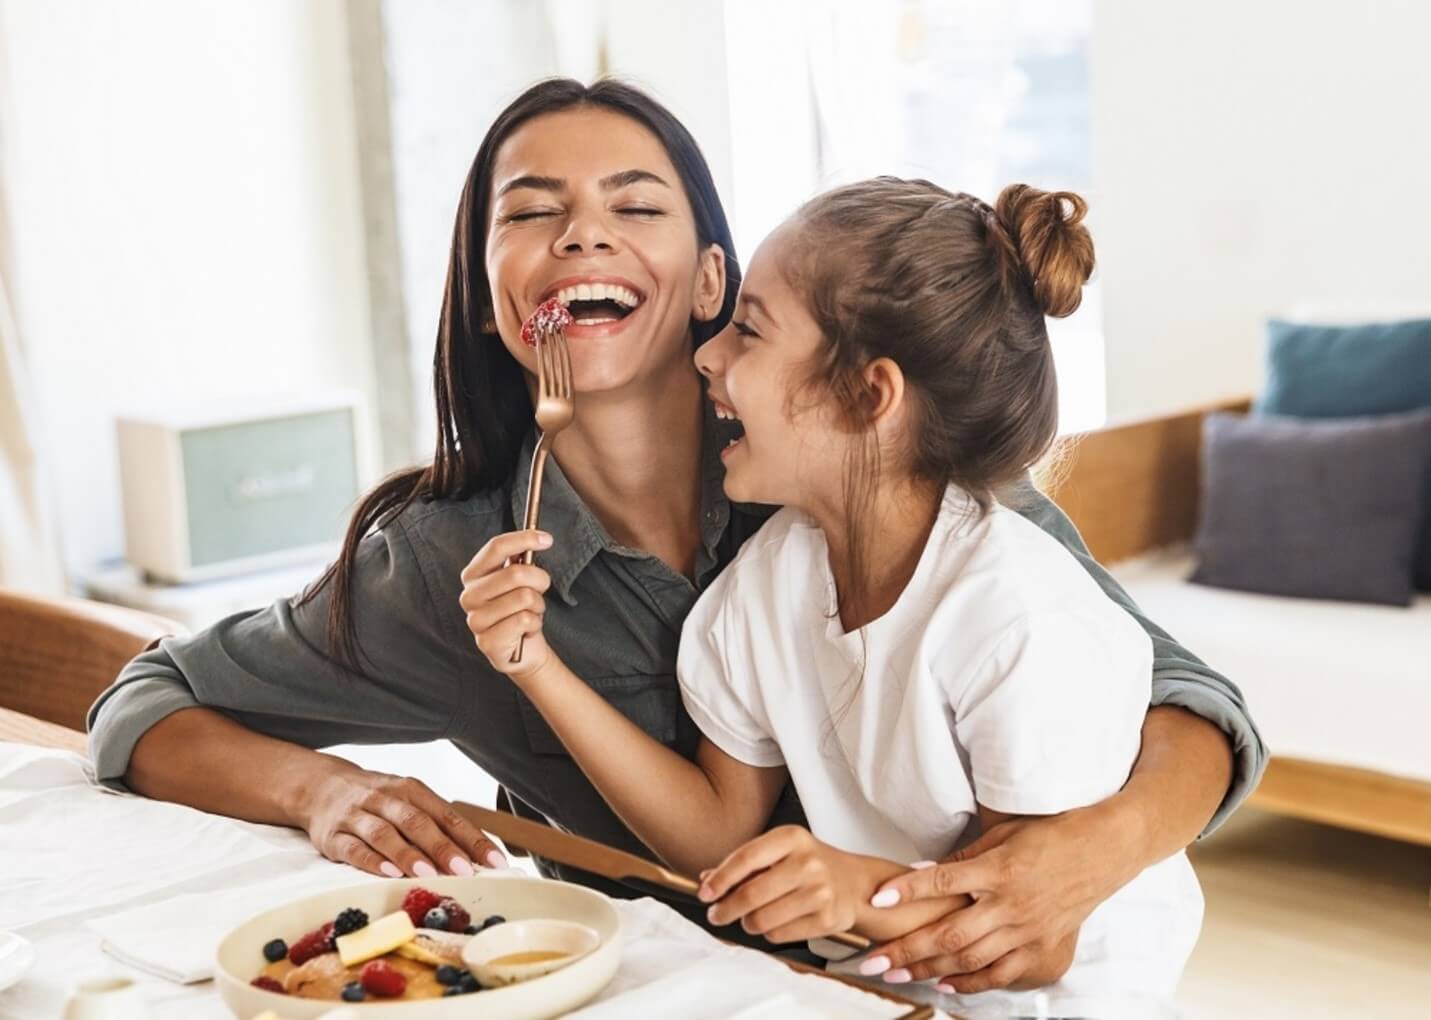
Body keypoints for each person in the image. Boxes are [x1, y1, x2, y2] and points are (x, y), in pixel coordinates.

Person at [88, 78, 1263, 992]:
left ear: (712, 281)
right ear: (489, 291)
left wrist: (1084, 856)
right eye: (532, 210)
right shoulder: (447, 568)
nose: (582, 234)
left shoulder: (888, 470)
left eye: (634, 205)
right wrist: (320, 792)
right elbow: (145, 704)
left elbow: (1193, 701)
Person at [464, 177, 1203, 1010]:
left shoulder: (1015, 616)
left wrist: (852, 893)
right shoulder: (769, 581)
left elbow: (1027, 940)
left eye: (749, 331)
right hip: (878, 987)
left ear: (865, 396)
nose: (707, 353)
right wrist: (535, 669)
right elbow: (716, 833)